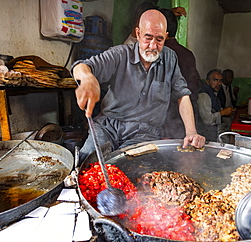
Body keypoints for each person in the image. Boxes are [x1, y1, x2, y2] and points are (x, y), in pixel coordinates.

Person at [72, 9, 205, 161]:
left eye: (159, 39)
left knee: (130, 170)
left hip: (144, 132)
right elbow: (81, 66)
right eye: (148, 38)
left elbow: (182, 95)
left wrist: (191, 132)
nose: (153, 46)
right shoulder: (120, 54)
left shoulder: (170, 58)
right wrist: (88, 78)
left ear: (166, 36)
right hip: (108, 127)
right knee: (86, 164)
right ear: (138, 33)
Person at [160, 8, 201, 139]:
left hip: (167, 124)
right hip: (186, 121)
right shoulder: (188, 55)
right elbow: (193, 90)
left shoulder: (161, 54)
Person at [197, 69, 234, 142]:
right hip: (206, 136)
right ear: (207, 82)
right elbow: (207, 120)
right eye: (215, 80)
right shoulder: (204, 96)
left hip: (213, 132)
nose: (219, 83)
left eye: (220, 80)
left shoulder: (213, 94)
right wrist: (222, 113)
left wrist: (226, 112)